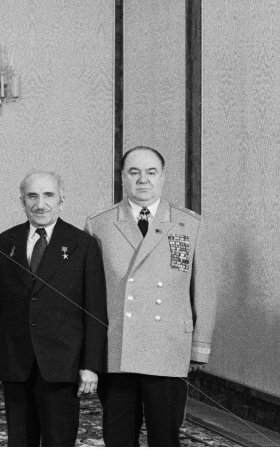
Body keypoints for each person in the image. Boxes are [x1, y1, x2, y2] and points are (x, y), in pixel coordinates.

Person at [85, 146, 216, 447]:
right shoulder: (100, 224)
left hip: (168, 347)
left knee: (165, 437)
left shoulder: (190, 224)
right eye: (134, 172)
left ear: (163, 177)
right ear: (122, 178)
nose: (142, 180)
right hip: (118, 348)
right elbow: (88, 295)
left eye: (150, 172)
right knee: (118, 437)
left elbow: (205, 291)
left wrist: (200, 347)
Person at [0, 171, 107, 447]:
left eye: (48, 195)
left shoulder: (82, 245)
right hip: (16, 364)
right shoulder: (4, 242)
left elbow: (95, 311)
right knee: (20, 444)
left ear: (62, 200)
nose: (40, 203)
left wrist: (91, 366)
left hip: (63, 366)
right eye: (32, 196)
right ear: (22, 201)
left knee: (58, 443)